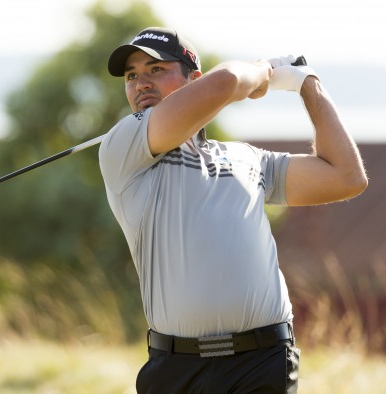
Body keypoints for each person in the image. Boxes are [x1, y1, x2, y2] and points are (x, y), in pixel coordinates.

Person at [98, 27, 367, 393]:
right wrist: (262, 72)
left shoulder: (245, 158)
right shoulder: (124, 148)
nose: (141, 83)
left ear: (193, 78)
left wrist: (308, 85)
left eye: (156, 69)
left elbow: (346, 177)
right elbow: (225, 82)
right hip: (176, 370)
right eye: (132, 76)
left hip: (262, 362)